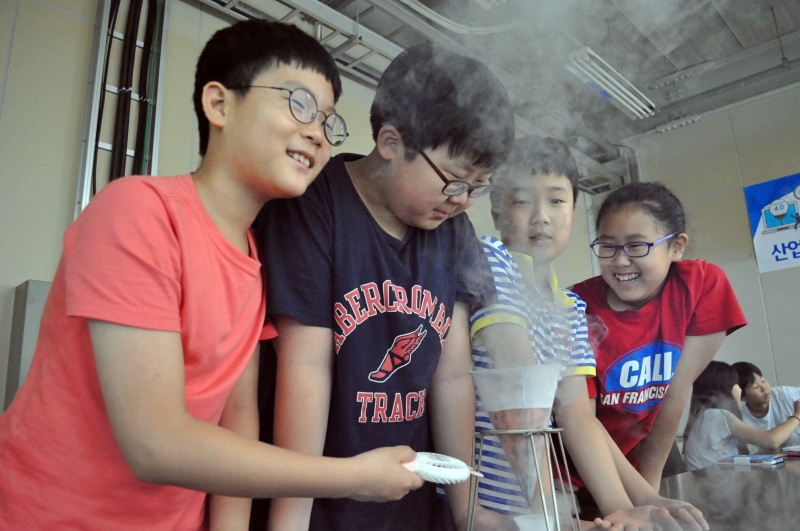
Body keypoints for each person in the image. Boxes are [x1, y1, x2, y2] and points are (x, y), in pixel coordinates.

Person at [0, 20, 424, 531]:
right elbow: (155, 444)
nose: (317, 132)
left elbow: (237, 417)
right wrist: (350, 478)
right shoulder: (138, 212)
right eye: (300, 104)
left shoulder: (253, 259)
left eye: (329, 122)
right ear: (219, 104)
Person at [255, 45, 516, 531]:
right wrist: (289, 522)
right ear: (392, 141)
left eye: (478, 187)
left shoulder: (453, 233)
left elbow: (453, 376)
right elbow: (305, 368)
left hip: (407, 506)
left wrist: (465, 507)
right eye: (455, 181)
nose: (462, 203)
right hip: (316, 501)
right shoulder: (314, 204)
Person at [463, 137, 707, 531]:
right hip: (484, 499)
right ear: (495, 210)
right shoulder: (491, 260)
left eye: (556, 201)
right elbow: (518, 379)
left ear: (574, 212)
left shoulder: (573, 308)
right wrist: (553, 516)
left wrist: (623, 506)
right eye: (522, 201)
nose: (541, 216)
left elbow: (578, 416)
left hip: (537, 508)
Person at [570, 182, 748, 495]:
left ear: (677, 246)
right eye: (608, 246)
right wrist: (635, 498)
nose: (620, 261)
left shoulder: (701, 286)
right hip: (572, 471)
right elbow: (580, 421)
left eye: (637, 246)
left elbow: (674, 393)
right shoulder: (576, 307)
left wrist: (649, 491)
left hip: (639, 457)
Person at [683, 361, 800, 470]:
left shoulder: (705, 415)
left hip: (710, 481)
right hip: (713, 484)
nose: (739, 388)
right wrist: (797, 415)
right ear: (726, 388)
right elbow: (771, 440)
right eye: (735, 384)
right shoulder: (717, 416)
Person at [732, 361, 800, 453]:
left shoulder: (785, 394)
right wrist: (798, 414)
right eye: (755, 387)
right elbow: (771, 442)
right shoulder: (741, 418)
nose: (764, 388)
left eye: (763, 381)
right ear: (742, 396)